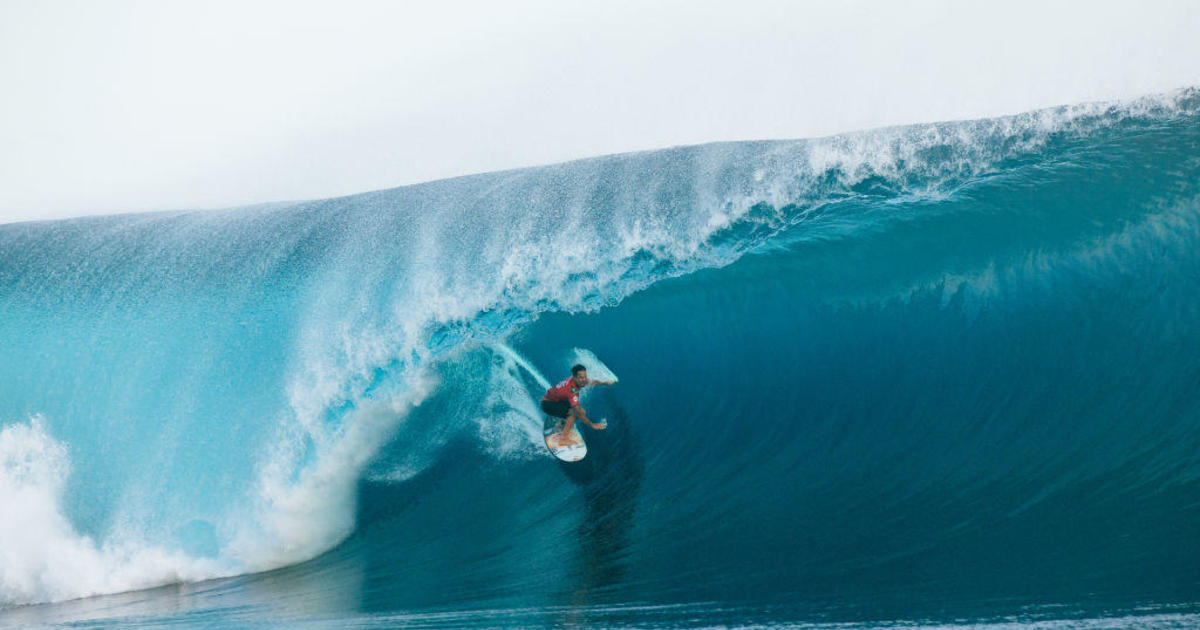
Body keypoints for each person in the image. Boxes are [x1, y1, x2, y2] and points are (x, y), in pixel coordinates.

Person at [541, 364, 615, 446]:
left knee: (581, 411)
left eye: (585, 376)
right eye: (581, 377)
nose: (583, 379)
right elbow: (577, 413)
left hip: (556, 400)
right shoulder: (572, 390)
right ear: (575, 377)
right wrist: (592, 425)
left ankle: (561, 425)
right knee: (575, 414)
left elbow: (591, 382)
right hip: (547, 404)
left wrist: (605, 383)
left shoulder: (578, 381)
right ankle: (563, 439)